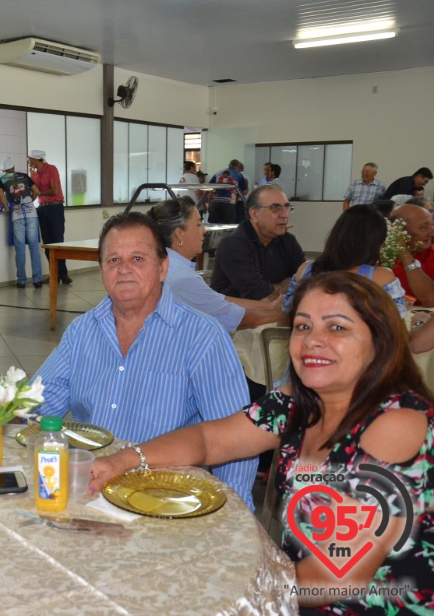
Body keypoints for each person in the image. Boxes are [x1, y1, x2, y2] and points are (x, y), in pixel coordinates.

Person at [89, 272, 434, 612]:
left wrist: (215, 584)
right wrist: (123, 460)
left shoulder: (396, 424)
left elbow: (332, 578)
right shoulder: (300, 402)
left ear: (380, 341)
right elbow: (210, 440)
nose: (313, 340)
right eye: (303, 326)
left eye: (337, 327)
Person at [34, 212, 257, 507]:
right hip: (91, 489)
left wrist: (235, 513)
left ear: (163, 268)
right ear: (101, 269)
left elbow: (234, 440)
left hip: (167, 499)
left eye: (138, 259)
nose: (124, 269)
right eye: (113, 260)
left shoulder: (201, 336)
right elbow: (35, 405)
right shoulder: (81, 332)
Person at [148, 198, 281, 333]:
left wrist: (268, 306)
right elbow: (228, 316)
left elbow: (216, 300)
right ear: (179, 234)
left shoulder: (167, 265)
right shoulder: (180, 276)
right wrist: (278, 312)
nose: (204, 230)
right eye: (198, 224)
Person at [281, 204, 408, 317]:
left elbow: (285, 320)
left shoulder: (305, 270)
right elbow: (395, 328)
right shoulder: (381, 277)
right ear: (377, 243)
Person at [210, 185, 306, 301]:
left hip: (275, 314)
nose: (284, 215)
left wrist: (279, 288)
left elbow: (306, 281)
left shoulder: (287, 241)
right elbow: (260, 295)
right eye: (275, 208)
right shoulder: (233, 245)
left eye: (286, 207)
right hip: (236, 317)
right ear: (254, 214)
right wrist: (289, 284)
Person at [0, 157, 42, 288]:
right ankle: (37, 279)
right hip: (32, 214)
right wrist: (29, 202)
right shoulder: (24, 175)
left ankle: (22, 281)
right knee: (34, 247)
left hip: (17, 215)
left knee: (20, 249)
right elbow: (37, 191)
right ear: (14, 167)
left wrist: (5, 207)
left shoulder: (1, 179)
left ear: (3, 170)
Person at [29, 150, 72, 285]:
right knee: (48, 244)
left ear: (35, 160)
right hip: (42, 209)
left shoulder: (51, 169)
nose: (28, 162)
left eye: (29, 159)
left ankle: (63, 274)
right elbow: (34, 193)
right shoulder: (35, 174)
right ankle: (54, 274)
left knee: (58, 241)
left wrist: (40, 192)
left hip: (55, 208)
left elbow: (54, 190)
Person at [390, 202, 434, 307]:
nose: (431, 232)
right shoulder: (382, 255)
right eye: (423, 227)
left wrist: (405, 254)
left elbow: (431, 300)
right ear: (400, 231)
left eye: (431, 224)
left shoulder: (431, 254)